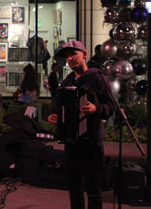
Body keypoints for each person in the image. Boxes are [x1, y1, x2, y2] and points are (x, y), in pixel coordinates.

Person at [47, 40, 115, 209]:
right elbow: (58, 106)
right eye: (67, 56)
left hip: (91, 140)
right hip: (71, 141)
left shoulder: (98, 78)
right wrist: (53, 115)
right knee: (74, 188)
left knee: (93, 188)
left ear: (84, 54)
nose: (70, 58)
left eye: (73, 54)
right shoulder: (67, 82)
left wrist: (96, 108)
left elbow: (111, 107)